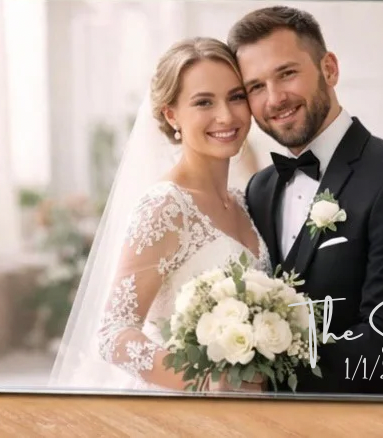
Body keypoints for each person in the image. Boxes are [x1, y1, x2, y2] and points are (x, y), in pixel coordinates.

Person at [228, 5, 383, 397]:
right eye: (256, 87)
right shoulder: (259, 189)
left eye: (287, 73)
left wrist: (259, 375)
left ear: (329, 69)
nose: (275, 98)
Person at [48, 37, 269, 394]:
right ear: (171, 114)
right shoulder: (165, 207)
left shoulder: (245, 202)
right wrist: (204, 384)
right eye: (203, 102)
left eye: (236, 96)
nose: (226, 115)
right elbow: (114, 333)